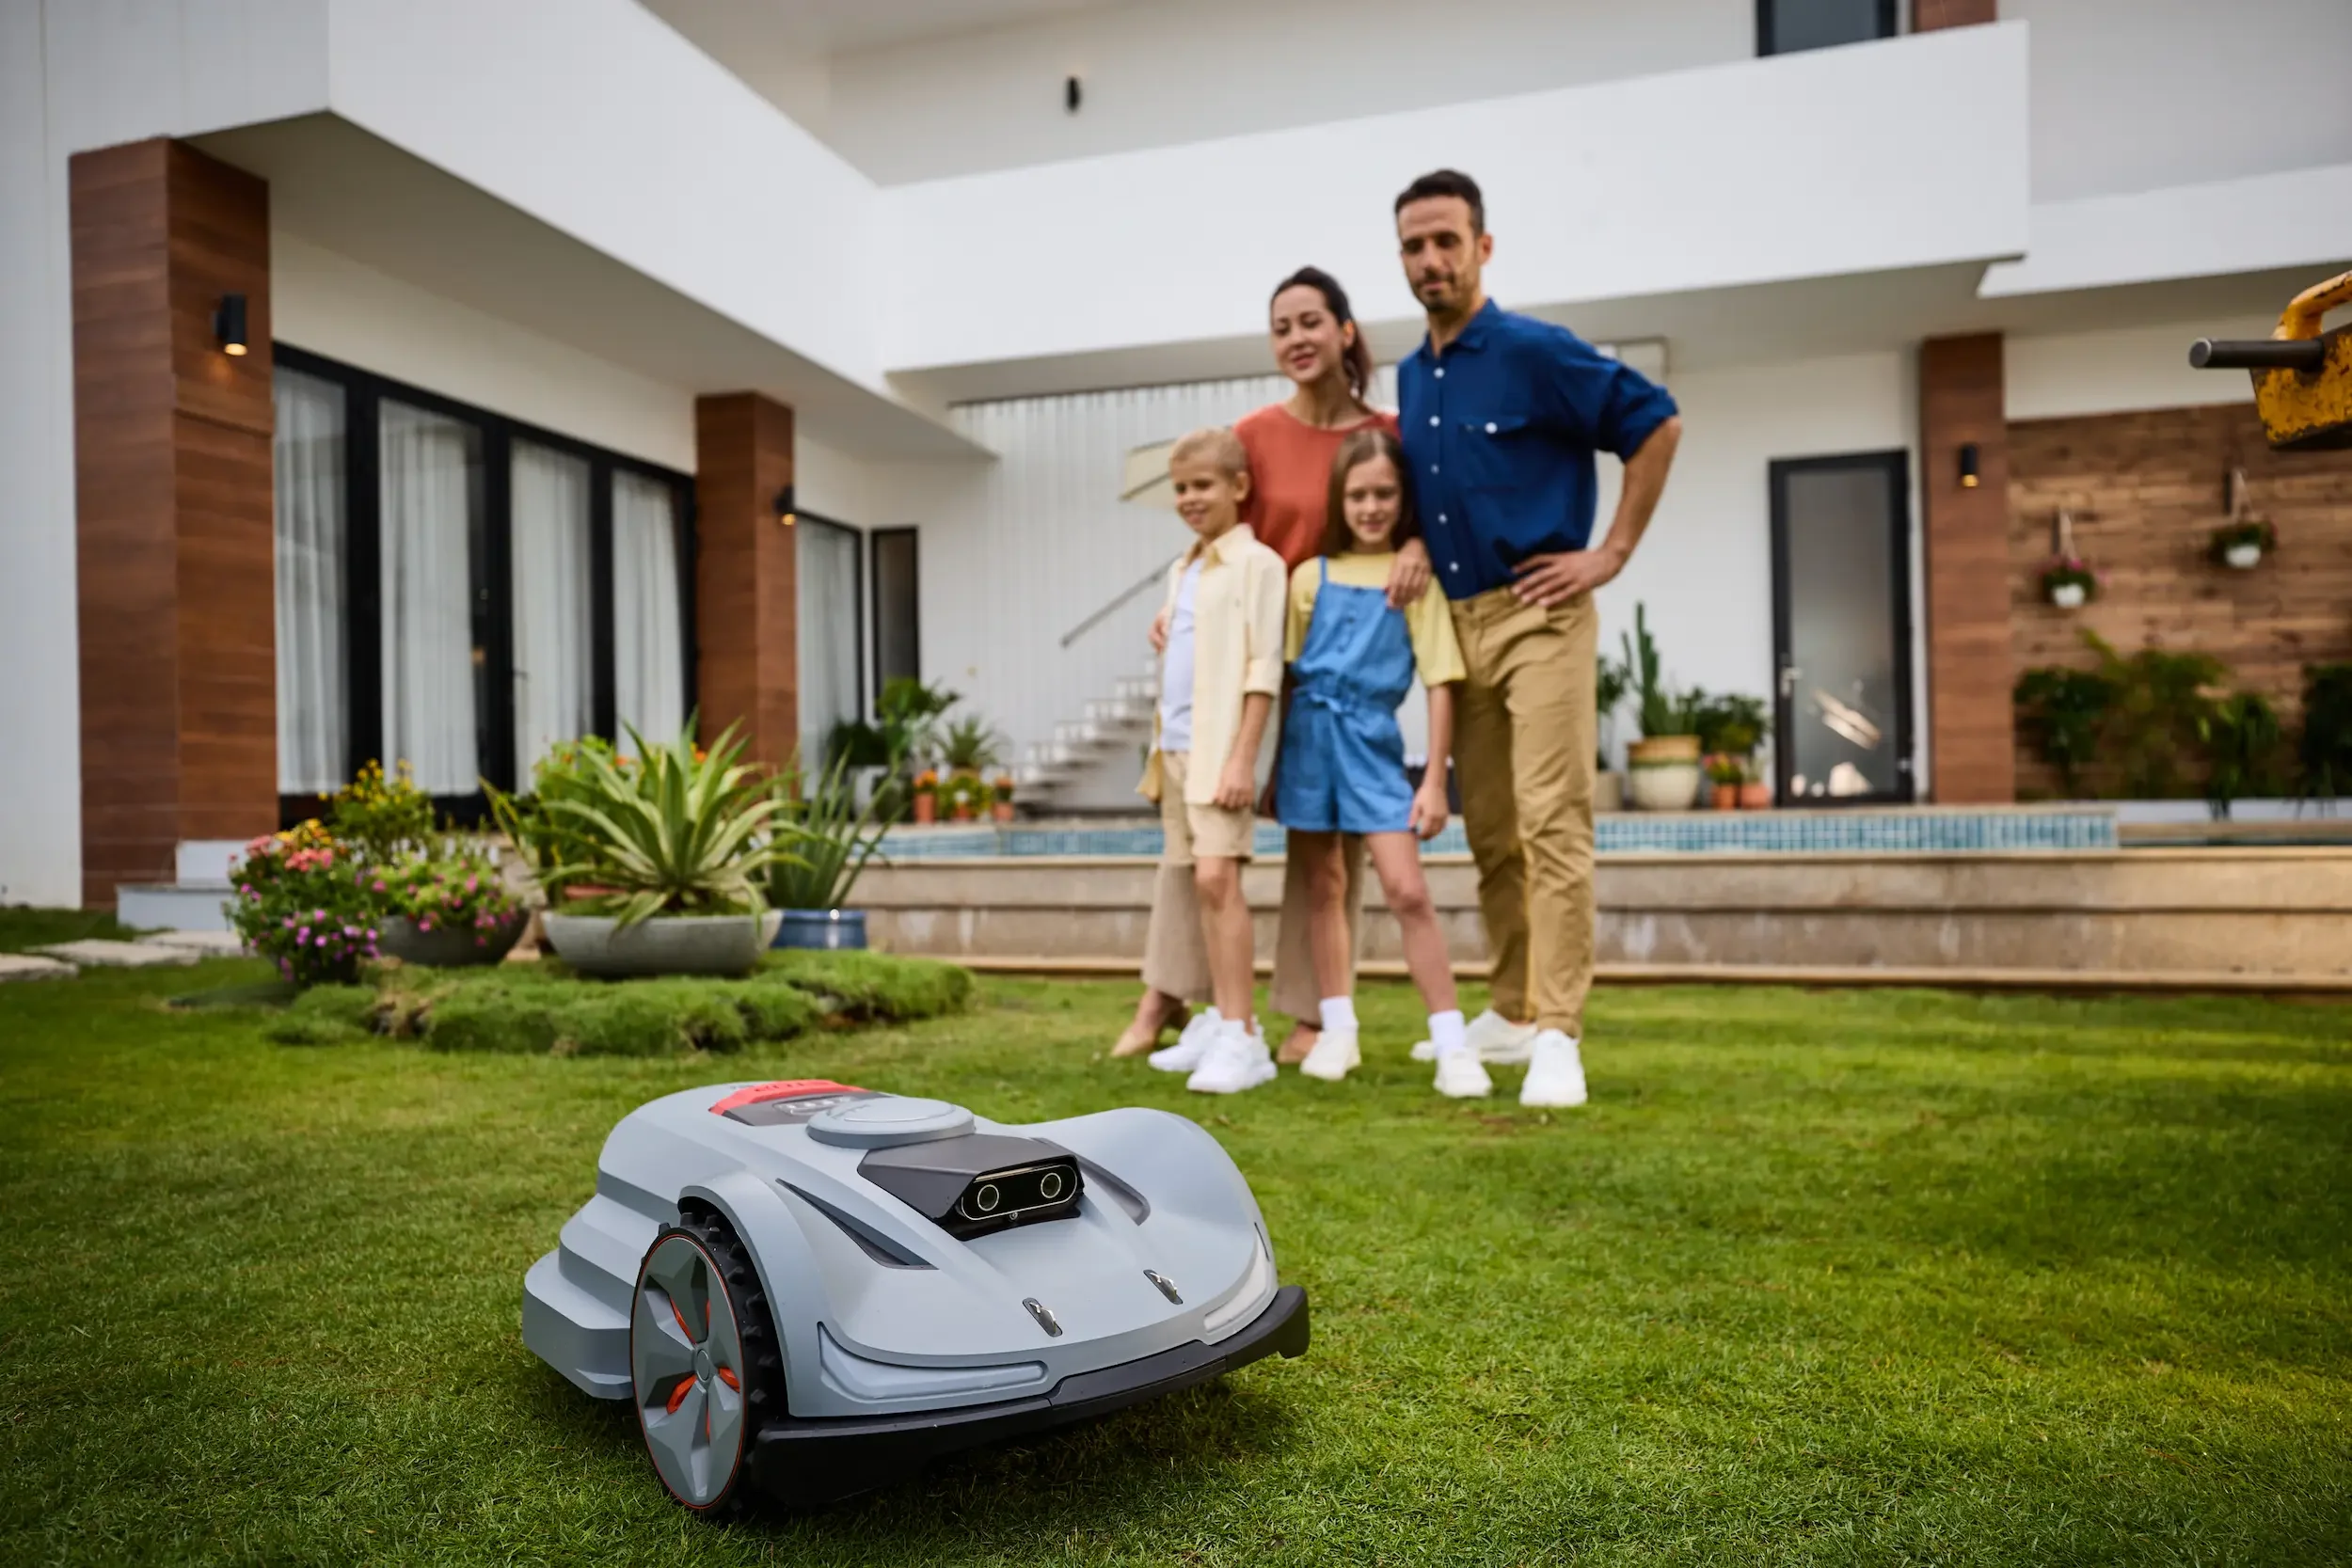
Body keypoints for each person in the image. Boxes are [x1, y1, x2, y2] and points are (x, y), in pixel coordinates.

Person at [1392, 168, 1682, 1108]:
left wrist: (1611, 553)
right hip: (1458, 623)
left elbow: (1655, 423)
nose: (1429, 259)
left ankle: (1559, 1032)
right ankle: (1512, 1009)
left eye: (1445, 240)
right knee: (1492, 830)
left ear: (1482, 245)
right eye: (1412, 245)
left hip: (1540, 608)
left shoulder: (1535, 351)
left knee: (1552, 818)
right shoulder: (1410, 374)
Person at [1114, 266, 1432, 1068]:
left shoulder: (1388, 434)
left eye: (1310, 322)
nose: (1296, 338)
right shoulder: (1253, 433)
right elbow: (1216, 522)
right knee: (1198, 837)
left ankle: (1312, 1009)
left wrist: (1421, 545)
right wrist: (1176, 600)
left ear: (1345, 331)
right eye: (1282, 326)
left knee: (1323, 849)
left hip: (1335, 662)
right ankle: (1169, 992)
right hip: (1249, 656)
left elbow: (1408, 519)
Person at [1279, 428, 1488, 1097]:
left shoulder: (1414, 578)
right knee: (1325, 887)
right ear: (1339, 499)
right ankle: (1338, 1027)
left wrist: (1433, 779)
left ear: (1404, 499)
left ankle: (1452, 1041)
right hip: (1309, 739)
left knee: (1407, 890)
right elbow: (1281, 672)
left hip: (1373, 745)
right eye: (1358, 494)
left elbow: (1440, 680)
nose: (1371, 507)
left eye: (1385, 494)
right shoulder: (1308, 577)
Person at [1133, 427, 1288, 1095]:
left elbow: (1263, 667)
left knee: (1221, 883)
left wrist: (1241, 759)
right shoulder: (1185, 566)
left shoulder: (1260, 565)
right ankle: (1218, 1024)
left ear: (1238, 488)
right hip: (1174, 749)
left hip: (1220, 749)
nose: (1190, 499)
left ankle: (1243, 1034)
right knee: (1197, 882)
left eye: (1202, 486)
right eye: (1181, 488)